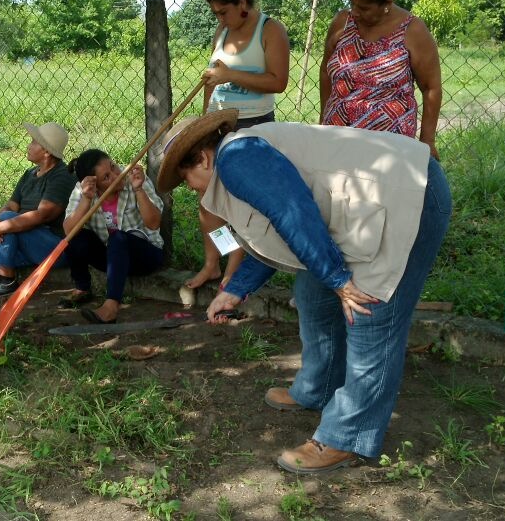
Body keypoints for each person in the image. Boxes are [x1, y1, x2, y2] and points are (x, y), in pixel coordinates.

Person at [157, 109, 451, 474]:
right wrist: (235, 291)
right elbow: (281, 231)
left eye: (187, 178)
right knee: (314, 294)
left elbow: (294, 216)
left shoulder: (236, 159)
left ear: (202, 157)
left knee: (369, 313)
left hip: (407, 195)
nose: (192, 189)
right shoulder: (238, 160)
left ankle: (347, 437)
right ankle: (318, 387)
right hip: (359, 210)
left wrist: (341, 281)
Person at [188, 0, 291, 291]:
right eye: (215, 13)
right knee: (209, 202)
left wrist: (230, 74)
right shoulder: (222, 30)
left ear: (243, 4)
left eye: (223, 12)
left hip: (253, 125)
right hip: (217, 124)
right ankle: (213, 263)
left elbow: (278, 81)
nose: (219, 19)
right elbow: (212, 81)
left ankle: (237, 269)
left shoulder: (270, 30)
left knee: (241, 202)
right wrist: (203, 122)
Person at [321, 0, 442, 159]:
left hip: (390, 146)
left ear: (387, 3)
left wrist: (427, 141)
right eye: (352, 3)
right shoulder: (342, 23)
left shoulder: (413, 30)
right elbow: (326, 71)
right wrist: (324, 120)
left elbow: (431, 88)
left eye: (364, 8)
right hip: (338, 137)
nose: (355, 13)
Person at [61, 149, 164, 324]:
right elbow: (68, 230)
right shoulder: (84, 190)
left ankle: (110, 307)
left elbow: (154, 223)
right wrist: (86, 199)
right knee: (76, 238)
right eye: (106, 177)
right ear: (95, 185)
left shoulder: (134, 177)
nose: (117, 175)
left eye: (113, 166)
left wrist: (139, 190)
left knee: (118, 238)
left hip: (145, 255)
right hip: (112, 259)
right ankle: (83, 288)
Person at [0, 122, 75, 298]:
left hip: (51, 246)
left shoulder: (62, 176)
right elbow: (11, 205)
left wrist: (3, 225)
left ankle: (5, 280)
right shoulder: (29, 173)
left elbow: (42, 215)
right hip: (20, 240)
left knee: (7, 220)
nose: (28, 146)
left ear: (46, 151)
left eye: (33, 142)